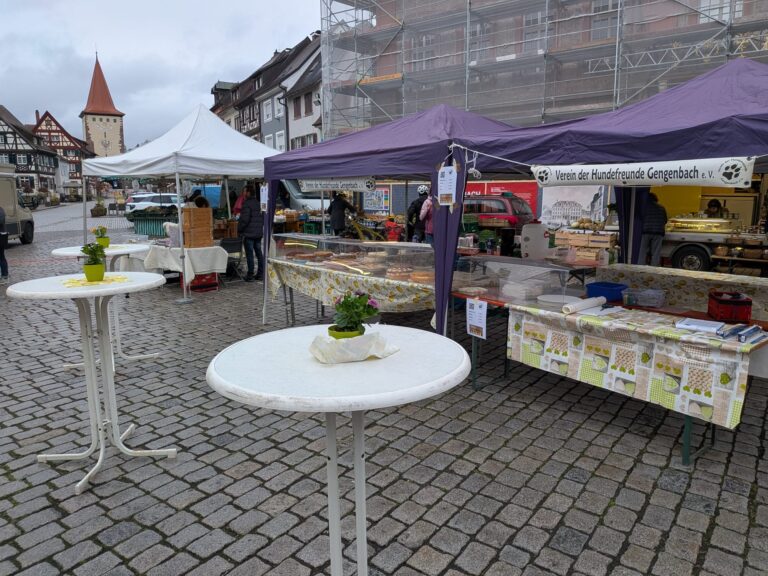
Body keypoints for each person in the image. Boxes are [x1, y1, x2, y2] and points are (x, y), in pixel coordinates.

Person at [238, 186, 264, 282]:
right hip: (258, 232)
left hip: (249, 233)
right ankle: (261, 274)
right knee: (259, 253)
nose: (243, 193)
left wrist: (240, 229)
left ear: (248, 192)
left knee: (250, 255)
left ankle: (250, 275)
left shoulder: (247, 204)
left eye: (244, 191)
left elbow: (245, 219)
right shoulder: (258, 203)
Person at [639, 192, 667, 267]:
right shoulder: (661, 207)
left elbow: (639, 219)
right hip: (658, 232)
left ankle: (640, 267)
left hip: (645, 231)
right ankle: (654, 268)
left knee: (642, 252)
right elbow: (665, 220)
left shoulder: (643, 207)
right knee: (656, 252)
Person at [0, 205, 8, 283]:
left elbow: (1, 221)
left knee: (1, 257)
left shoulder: (0, 210)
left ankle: (5, 276)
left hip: (0, 237)